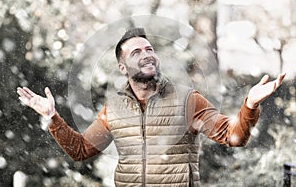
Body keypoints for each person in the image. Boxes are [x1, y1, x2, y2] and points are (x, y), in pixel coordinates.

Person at [17, 28, 285, 187]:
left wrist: (249, 105)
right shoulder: (114, 108)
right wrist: (52, 117)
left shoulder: (188, 100)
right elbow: (81, 150)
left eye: (149, 48)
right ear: (123, 69)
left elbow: (234, 136)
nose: (146, 54)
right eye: (136, 53)